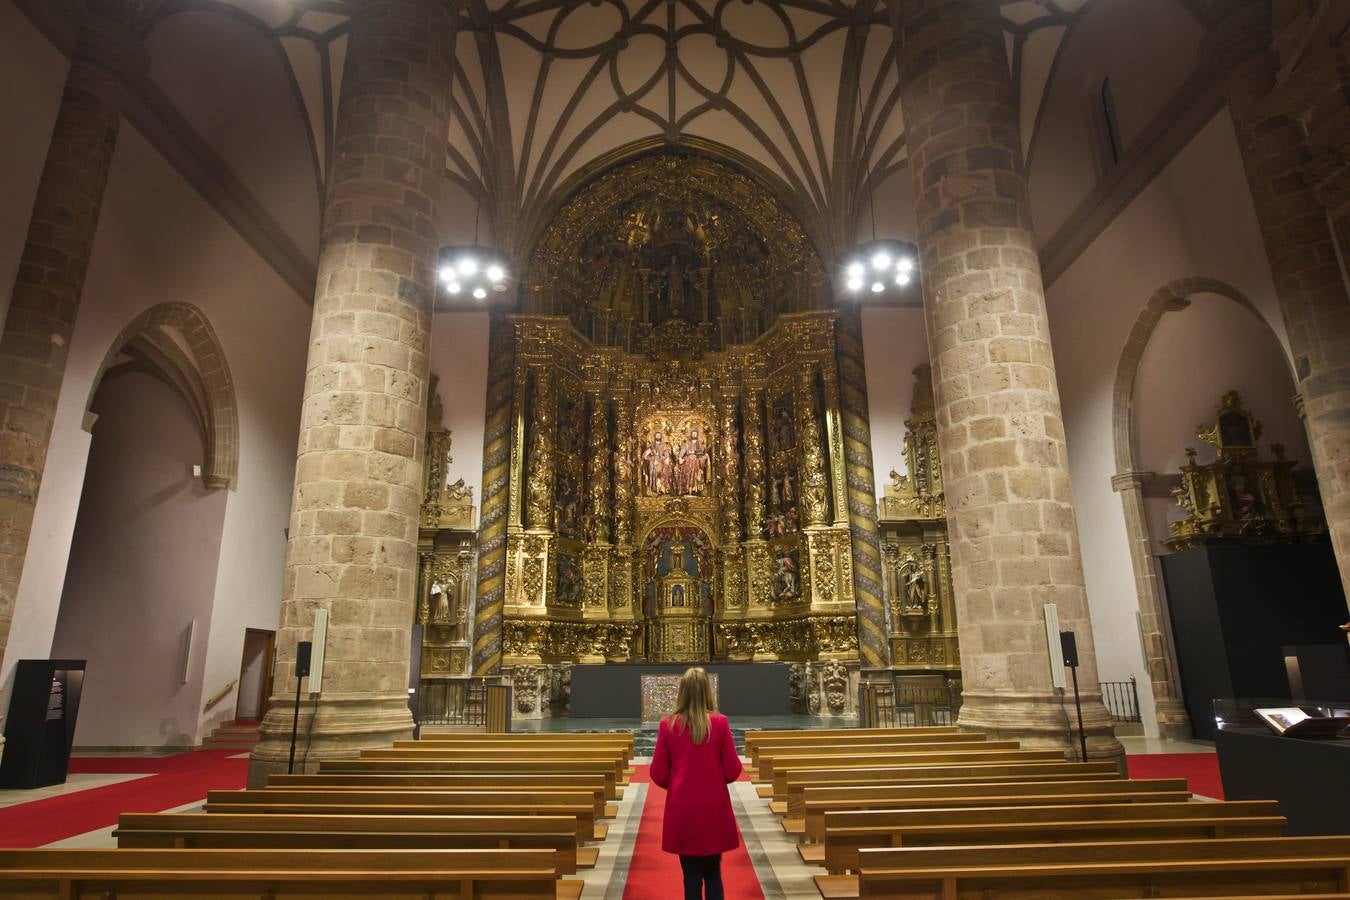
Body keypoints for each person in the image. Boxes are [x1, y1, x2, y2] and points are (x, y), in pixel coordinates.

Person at [650, 667, 743, 900]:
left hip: (682, 808)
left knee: (690, 875)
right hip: (714, 807)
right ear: (707, 691)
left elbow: (658, 773)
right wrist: (713, 778)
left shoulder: (669, 725)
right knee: (713, 872)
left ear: (681, 691)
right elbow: (733, 770)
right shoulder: (720, 723)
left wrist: (679, 782)